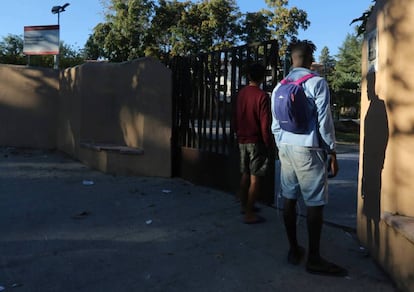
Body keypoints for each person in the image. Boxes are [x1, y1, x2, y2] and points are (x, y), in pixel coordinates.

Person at [271, 40, 348, 276]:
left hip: (285, 146)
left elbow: (275, 125)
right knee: (315, 202)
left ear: (292, 58)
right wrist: (331, 150)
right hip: (308, 149)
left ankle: (294, 249)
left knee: (289, 197)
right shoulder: (316, 82)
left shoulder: (278, 86)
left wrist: (282, 146)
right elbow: (324, 121)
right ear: (309, 57)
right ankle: (314, 258)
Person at [234, 63, 273, 224]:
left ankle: (245, 205)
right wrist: (268, 142)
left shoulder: (241, 94)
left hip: (242, 139)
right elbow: (265, 124)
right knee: (255, 178)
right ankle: (249, 213)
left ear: (248, 76)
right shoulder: (262, 96)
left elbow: (235, 116)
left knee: (245, 174)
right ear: (262, 77)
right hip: (256, 141)